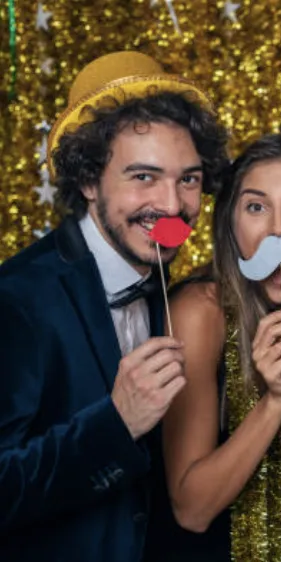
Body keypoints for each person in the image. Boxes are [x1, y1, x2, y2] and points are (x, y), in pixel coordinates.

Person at [0, 51, 227, 562]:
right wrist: (116, 423)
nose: (172, 206)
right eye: (144, 177)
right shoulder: (17, 300)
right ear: (87, 180)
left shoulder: (174, 289)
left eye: (188, 179)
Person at [143, 134, 281, 561]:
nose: (279, 231)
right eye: (256, 207)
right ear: (230, 224)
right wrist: (276, 402)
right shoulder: (200, 312)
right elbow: (191, 509)